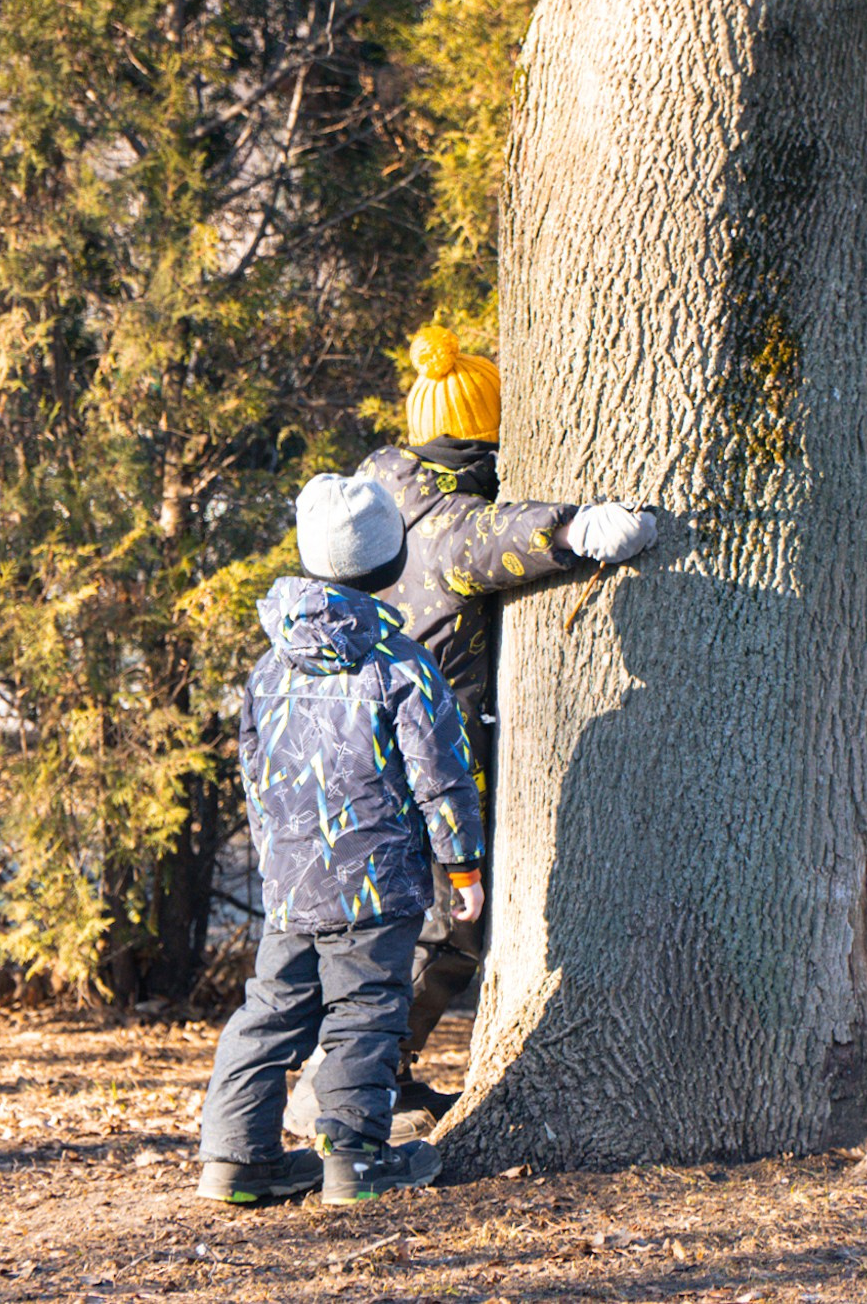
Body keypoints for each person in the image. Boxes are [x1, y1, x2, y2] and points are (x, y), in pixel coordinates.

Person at [286, 325, 657, 1133]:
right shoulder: (444, 518)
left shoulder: (380, 498)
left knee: (394, 935)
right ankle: (334, 1095)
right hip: (423, 766)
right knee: (444, 930)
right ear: (483, 433)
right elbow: (498, 541)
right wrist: (580, 528)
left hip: (358, 766)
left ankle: (354, 1080)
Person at [195, 472, 485, 1207]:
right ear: (391, 565)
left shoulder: (268, 667)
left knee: (272, 1009)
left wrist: (279, 857)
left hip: (293, 878)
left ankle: (234, 1157)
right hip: (374, 878)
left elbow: (253, 769)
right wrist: (462, 863)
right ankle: (354, 1158)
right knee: (367, 1010)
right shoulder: (399, 665)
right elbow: (440, 775)